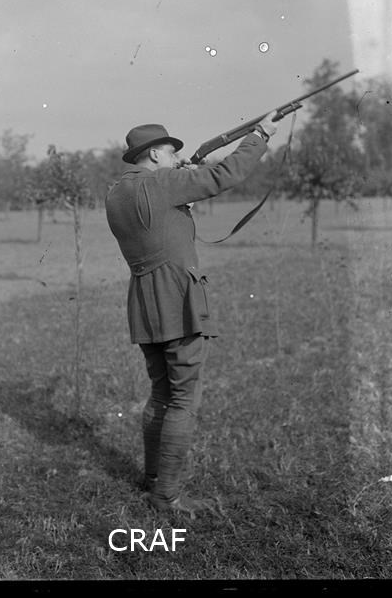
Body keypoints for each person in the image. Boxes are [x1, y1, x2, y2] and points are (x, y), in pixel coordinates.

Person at [105, 112, 278, 515]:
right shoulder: (163, 183)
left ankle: (154, 480)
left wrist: (181, 179)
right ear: (153, 155)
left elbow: (159, 221)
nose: (174, 158)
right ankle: (166, 496)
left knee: (161, 393)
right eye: (170, 153)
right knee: (184, 398)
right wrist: (260, 134)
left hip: (144, 302)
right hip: (177, 301)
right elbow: (225, 175)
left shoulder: (116, 192)